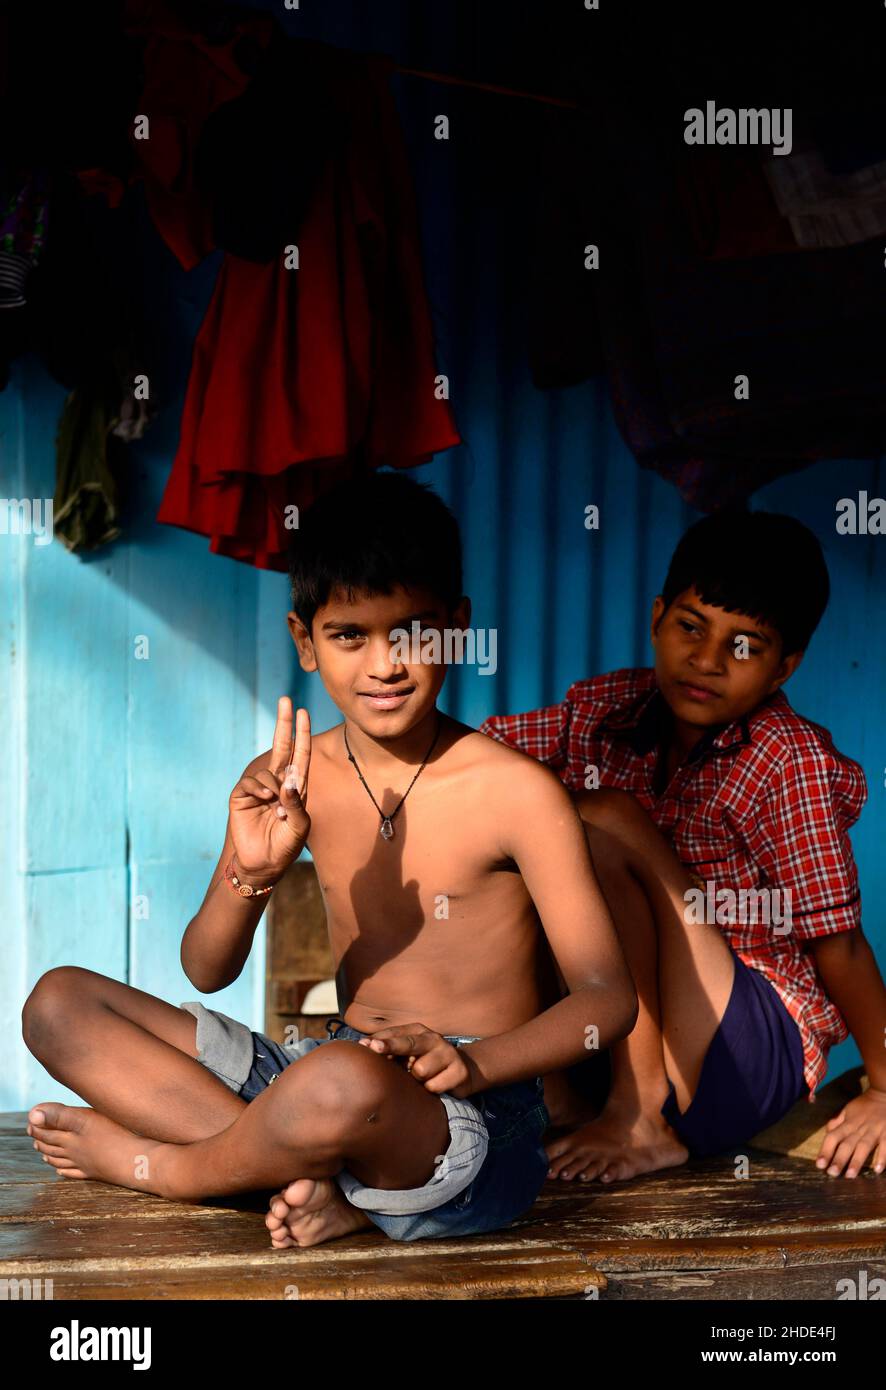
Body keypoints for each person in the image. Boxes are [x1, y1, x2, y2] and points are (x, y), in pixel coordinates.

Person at [22, 472, 637, 1245]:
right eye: (350, 635)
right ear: (304, 641)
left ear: (457, 626)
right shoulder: (290, 776)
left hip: (471, 1117)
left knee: (334, 1081)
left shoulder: (517, 792)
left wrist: (476, 1065)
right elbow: (206, 970)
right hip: (333, 1073)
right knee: (60, 1004)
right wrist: (253, 872)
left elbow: (608, 1001)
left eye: (411, 632)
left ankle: (175, 1168)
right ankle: (313, 1183)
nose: (383, 664)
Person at [482, 510, 886, 1184]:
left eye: (745, 646)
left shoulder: (787, 761)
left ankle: (640, 1116)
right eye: (691, 629)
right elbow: (472, 759)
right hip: (614, 1041)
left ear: (784, 667)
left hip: (745, 1050)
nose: (706, 661)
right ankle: (564, 1093)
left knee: (603, 819)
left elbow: (838, 943)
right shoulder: (605, 709)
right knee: (504, 816)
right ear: (657, 618)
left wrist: (883, 1090)